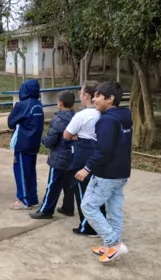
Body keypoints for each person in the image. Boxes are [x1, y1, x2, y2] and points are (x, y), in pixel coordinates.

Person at [76, 81, 133, 263]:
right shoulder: (124, 115)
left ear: (110, 99)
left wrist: (86, 168)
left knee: (88, 206)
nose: (94, 99)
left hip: (106, 173)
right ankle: (110, 247)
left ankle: (113, 243)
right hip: (121, 171)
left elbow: (103, 150)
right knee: (113, 209)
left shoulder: (107, 120)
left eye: (98, 96)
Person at [62, 81, 106, 237]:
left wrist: (76, 134)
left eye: (80, 93)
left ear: (87, 95)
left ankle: (87, 227)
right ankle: (100, 224)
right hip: (100, 157)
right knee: (98, 193)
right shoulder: (105, 114)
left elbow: (66, 135)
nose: (79, 95)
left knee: (82, 192)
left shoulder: (82, 115)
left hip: (83, 157)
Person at [30, 91, 76, 219]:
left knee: (53, 184)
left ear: (60, 103)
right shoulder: (76, 117)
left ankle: (46, 210)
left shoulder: (59, 119)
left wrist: (42, 139)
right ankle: (68, 207)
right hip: (72, 156)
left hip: (59, 156)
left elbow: (51, 141)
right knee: (68, 183)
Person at [7, 79, 44, 210]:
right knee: (30, 172)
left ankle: (24, 200)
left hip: (23, 143)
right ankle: (32, 199)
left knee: (21, 172)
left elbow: (10, 123)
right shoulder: (39, 104)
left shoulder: (22, 105)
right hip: (34, 143)